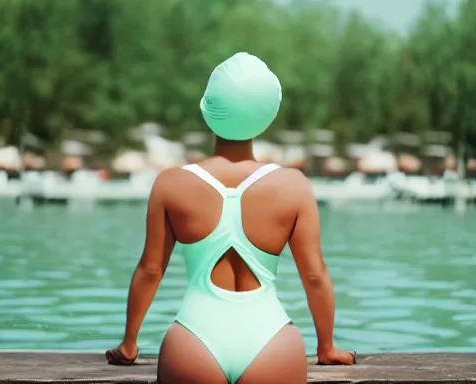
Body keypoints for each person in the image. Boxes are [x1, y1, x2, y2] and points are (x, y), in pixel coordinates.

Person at [106, 52, 356, 383]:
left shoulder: (172, 183)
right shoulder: (293, 186)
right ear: (267, 115)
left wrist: (129, 343)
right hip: (272, 342)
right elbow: (314, 277)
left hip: (193, 341)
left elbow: (151, 271)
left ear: (208, 109)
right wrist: (326, 346)